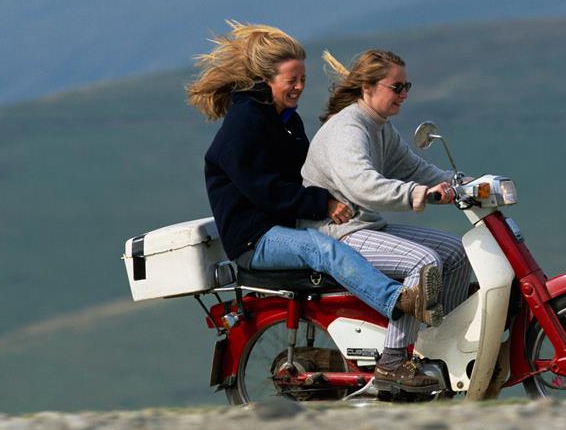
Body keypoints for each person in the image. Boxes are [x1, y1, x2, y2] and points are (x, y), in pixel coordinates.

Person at [185, 22, 440, 331]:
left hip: (284, 225)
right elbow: (267, 191)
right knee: (322, 248)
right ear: (266, 79)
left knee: (334, 242)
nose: (299, 87)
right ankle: (396, 300)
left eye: (303, 79)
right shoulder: (244, 125)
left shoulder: (287, 122)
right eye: (291, 80)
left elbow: (304, 174)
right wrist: (324, 204)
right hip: (256, 239)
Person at [301, 48, 472, 394]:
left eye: (406, 86)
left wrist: (466, 184)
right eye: (396, 87)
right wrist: (417, 194)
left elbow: (415, 169)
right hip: (336, 234)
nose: (404, 94)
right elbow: (361, 185)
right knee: (424, 263)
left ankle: (433, 346)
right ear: (368, 87)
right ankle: (393, 362)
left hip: (364, 226)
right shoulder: (348, 129)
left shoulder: (379, 127)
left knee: (455, 250)